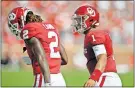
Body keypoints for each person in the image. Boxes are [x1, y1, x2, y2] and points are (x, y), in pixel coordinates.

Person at [8, 7, 68, 87]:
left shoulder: (29, 29)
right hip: (59, 78)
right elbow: (65, 59)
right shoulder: (49, 26)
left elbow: (42, 57)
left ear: (21, 20)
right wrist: (47, 62)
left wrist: (47, 83)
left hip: (45, 77)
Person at [72, 5, 122, 87]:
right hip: (105, 77)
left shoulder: (94, 34)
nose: (77, 23)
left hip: (105, 78)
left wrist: (93, 78)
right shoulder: (91, 35)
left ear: (90, 20)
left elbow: (102, 57)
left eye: (80, 19)